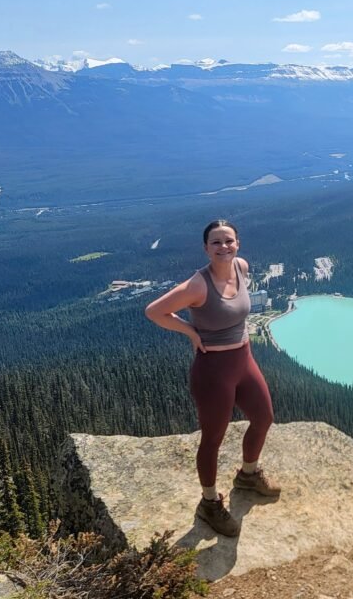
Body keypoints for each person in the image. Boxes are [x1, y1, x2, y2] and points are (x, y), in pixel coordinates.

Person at [145, 219, 279, 537]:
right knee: (212, 439)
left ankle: (248, 474)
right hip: (213, 371)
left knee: (263, 417)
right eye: (216, 242)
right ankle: (209, 502)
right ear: (206, 248)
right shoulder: (198, 285)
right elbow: (154, 311)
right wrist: (190, 330)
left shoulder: (241, 268)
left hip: (244, 360)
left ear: (238, 244)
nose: (223, 247)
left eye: (228, 241)